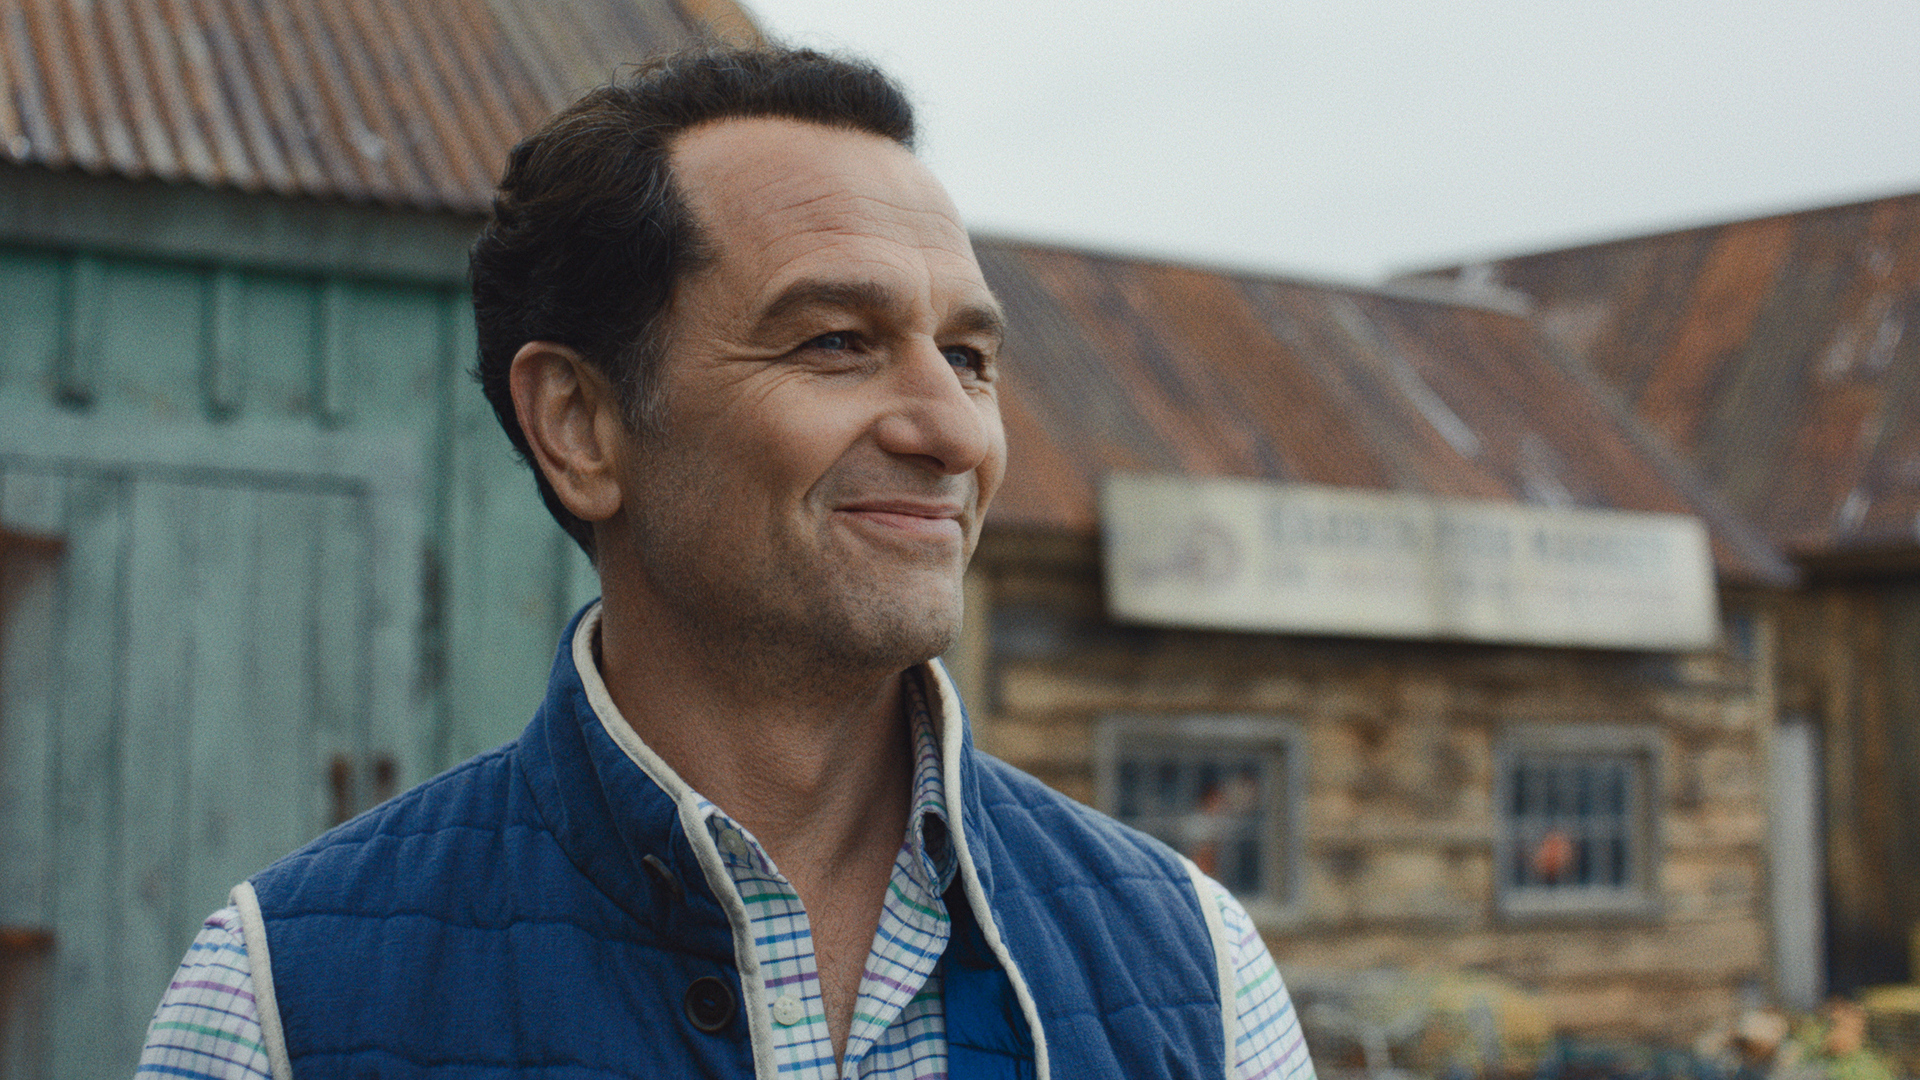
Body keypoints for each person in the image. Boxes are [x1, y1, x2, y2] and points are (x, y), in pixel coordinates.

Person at [137, 46, 1315, 1080]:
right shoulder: (282, 1004)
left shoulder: (1197, 969)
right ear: (581, 427)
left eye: (966, 356)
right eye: (838, 342)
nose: (953, 432)